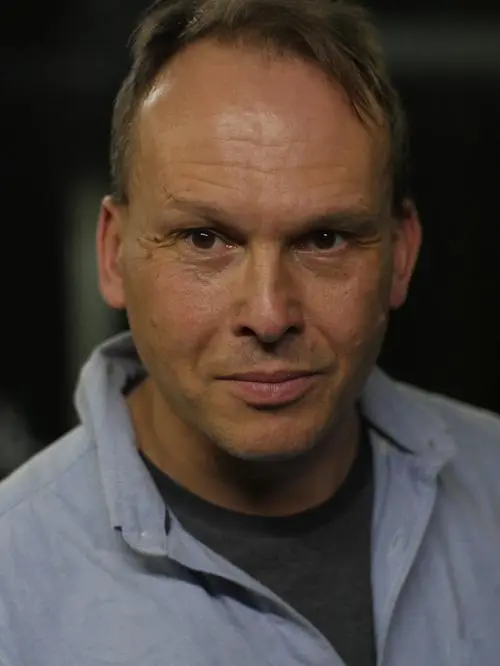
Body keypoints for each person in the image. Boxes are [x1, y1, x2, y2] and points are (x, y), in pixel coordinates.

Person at [1, 0, 499, 664]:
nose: (268, 315)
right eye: (205, 239)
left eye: (325, 239)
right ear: (114, 254)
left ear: (401, 255)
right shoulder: (14, 587)